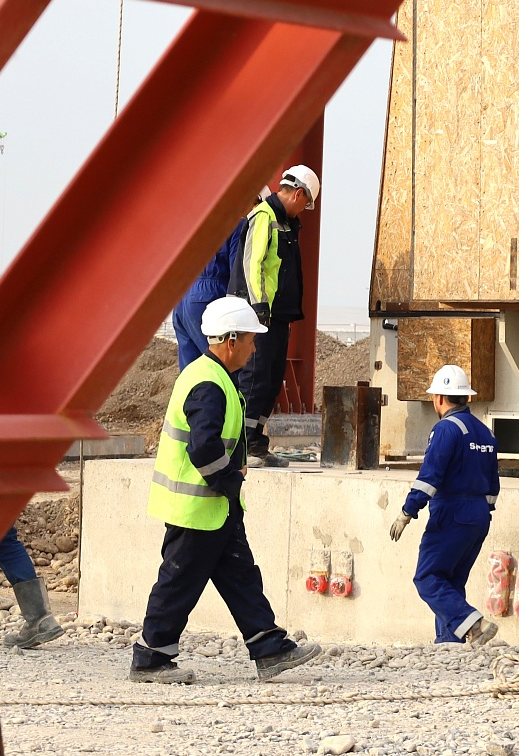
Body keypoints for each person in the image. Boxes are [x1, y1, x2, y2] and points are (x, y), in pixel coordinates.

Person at [130, 296, 319, 683]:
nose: (253, 349)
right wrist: (232, 480)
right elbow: (204, 448)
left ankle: (269, 647)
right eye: (250, 340)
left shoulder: (212, 376)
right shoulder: (207, 384)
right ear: (231, 340)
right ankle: (150, 658)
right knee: (178, 580)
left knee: (240, 575)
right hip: (198, 507)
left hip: (215, 505)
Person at [0, 259, 64, 650]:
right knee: (2, 533)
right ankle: (39, 618)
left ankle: (39, 618)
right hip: (8, 450)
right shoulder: (17, 337)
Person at [389, 365, 501, 645]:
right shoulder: (485, 433)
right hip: (478, 517)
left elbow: (430, 477)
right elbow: (493, 486)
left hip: (452, 513)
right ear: (466, 398)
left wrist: (407, 511)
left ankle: (474, 626)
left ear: (439, 398)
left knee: (427, 578)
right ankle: (449, 645)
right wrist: (479, 513)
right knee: (450, 583)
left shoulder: (446, 430)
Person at [228, 165, 319, 468]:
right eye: (305, 204)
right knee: (254, 377)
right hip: (257, 314)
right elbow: (252, 265)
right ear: (298, 194)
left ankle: (255, 443)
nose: (304, 210)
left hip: (277, 316)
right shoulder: (264, 217)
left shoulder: (286, 222)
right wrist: (258, 308)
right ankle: (241, 444)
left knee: (270, 379)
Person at [171, 213, 248, 370]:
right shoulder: (236, 224)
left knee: (191, 372)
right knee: (222, 366)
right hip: (209, 295)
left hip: (181, 298)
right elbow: (237, 274)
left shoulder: (192, 223)